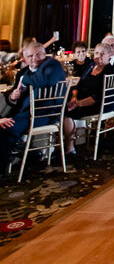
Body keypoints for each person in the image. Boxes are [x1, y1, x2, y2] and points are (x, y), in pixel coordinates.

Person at [0, 42, 66, 174]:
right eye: (30, 56)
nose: (34, 58)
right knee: (3, 125)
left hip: (44, 114)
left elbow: (44, 81)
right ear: (24, 58)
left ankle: (6, 164)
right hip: (23, 114)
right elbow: (12, 96)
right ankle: (26, 152)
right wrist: (13, 96)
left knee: (5, 129)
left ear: (44, 54)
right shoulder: (23, 72)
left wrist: (24, 80)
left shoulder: (52, 65)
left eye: (38, 54)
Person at [63, 44, 113, 154]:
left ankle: (69, 147)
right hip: (80, 100)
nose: (98, 56)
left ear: (109, 55)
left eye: (102, 53)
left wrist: (79, 103)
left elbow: (99, 97)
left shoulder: (109, 71)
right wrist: (74, 98)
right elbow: (78, 85)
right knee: (61, 105)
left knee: (65, 111)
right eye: (96, 53)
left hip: (97, 105)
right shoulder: (90, 67)